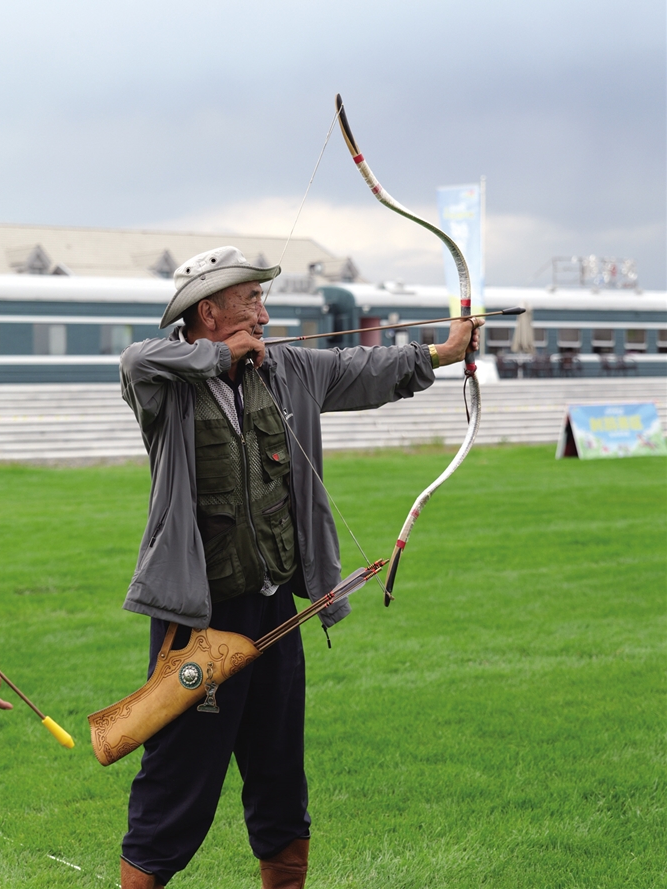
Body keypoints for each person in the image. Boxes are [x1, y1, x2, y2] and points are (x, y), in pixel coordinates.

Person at [118, 245, 481, 889]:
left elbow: (363, 367)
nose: (263, 313)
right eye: (250, 300)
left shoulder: (286, 368)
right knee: (177, 782)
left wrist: (442, 352)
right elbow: (134, 359)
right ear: (209, 312)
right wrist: (218, 358)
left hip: (275, 612)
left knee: (281, 778)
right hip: (198, 621)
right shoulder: (164, 383)